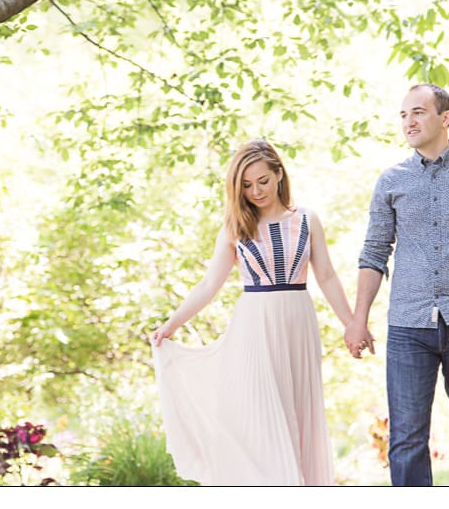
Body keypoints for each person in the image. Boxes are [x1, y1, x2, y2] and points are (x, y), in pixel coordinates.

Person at [150, 139, 354, 486]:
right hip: (253, 327)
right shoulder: (235, 228)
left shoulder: (307, 220)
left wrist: (352, 326)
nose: (256, 190)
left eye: (262, 180)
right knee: (260, 416)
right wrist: (171, 325)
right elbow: (209, 285)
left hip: (298, 322)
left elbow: (328, 277)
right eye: (246, 185)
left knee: (300, 411)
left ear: (278, 174)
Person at [344, 83, 449, 486]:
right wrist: (358, 320)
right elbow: (374, 253)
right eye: (404, 115)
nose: (409, 121)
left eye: (418, 112)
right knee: (405, 440)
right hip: (408, 326)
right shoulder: (391, 181)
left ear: (445, 118)